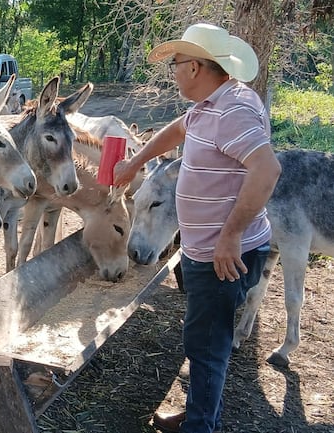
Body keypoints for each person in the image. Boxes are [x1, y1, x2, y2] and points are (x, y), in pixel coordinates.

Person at [113, 23, 282, 433]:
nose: (173, 71)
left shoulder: (232, 110)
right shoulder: (210, 105)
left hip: (222, 256)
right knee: (205, 339)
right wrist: (135, 163)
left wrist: (230, 235)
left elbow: (267, 169)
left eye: (176, 63)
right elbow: (177, 130)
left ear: (195, 67)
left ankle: (199, 426)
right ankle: (199, 414)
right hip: (208, 250)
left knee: (206, 345)